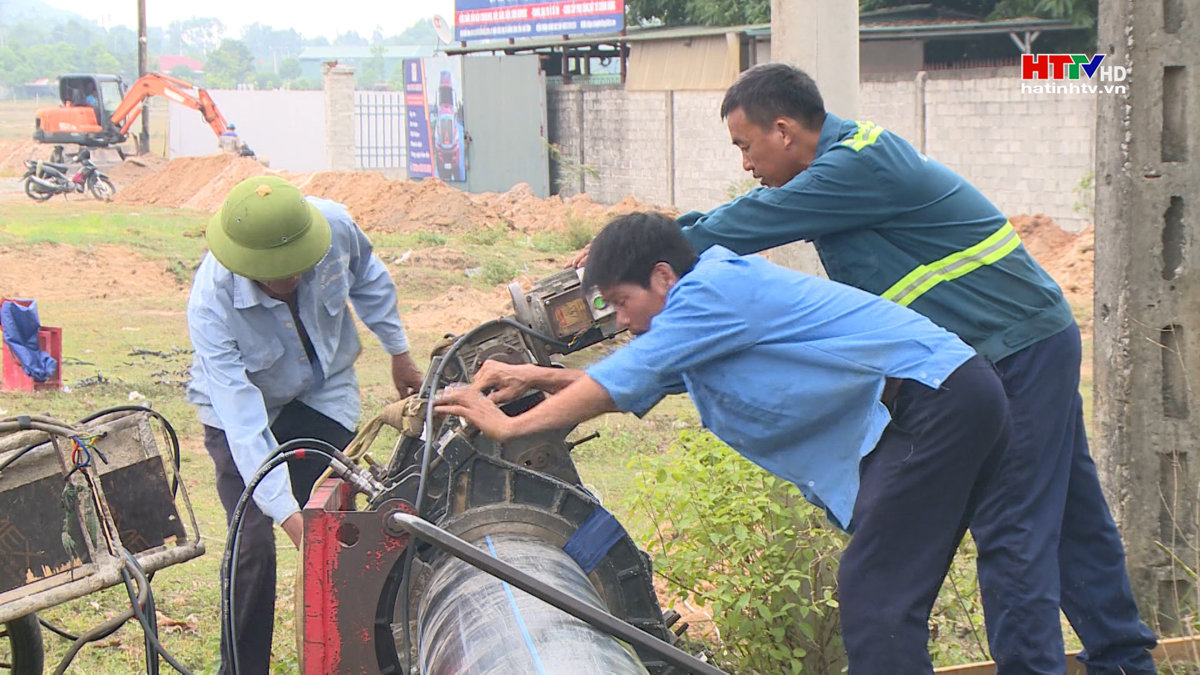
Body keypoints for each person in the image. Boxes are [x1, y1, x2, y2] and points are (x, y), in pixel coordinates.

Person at [661, 62, 1154, 673]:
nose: (745, 165)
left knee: (1011, 528)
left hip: (1013, 350)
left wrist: (644, 251)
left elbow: (746, 222)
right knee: (1074, 519)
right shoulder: (842, 169)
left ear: (783, 131)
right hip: (1024, 343)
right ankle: (1126, 662)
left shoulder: (855, 166)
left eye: (745, 145)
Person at [438, 212, 1012, 672]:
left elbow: (626, 376)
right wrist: (535, 378)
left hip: (932, 399)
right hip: (942, 397)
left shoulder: (711, 294)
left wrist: (508, 426)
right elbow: (639, 379)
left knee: (876, 596)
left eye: (622, 301)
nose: (622, 321)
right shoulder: (705, 309)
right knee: (906, 588)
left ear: (663, 277)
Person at [186, 175, 422, 673]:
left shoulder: (333, 225)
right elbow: (244, 421)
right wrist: (290, 519)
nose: (293, 279)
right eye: (277, 275)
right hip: (240, 411)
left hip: (319, 391)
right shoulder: (212, 304)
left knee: (356, 520)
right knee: (252, 543)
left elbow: (370, 278)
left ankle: (368, 654)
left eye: (299, 266)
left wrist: (399, 352)